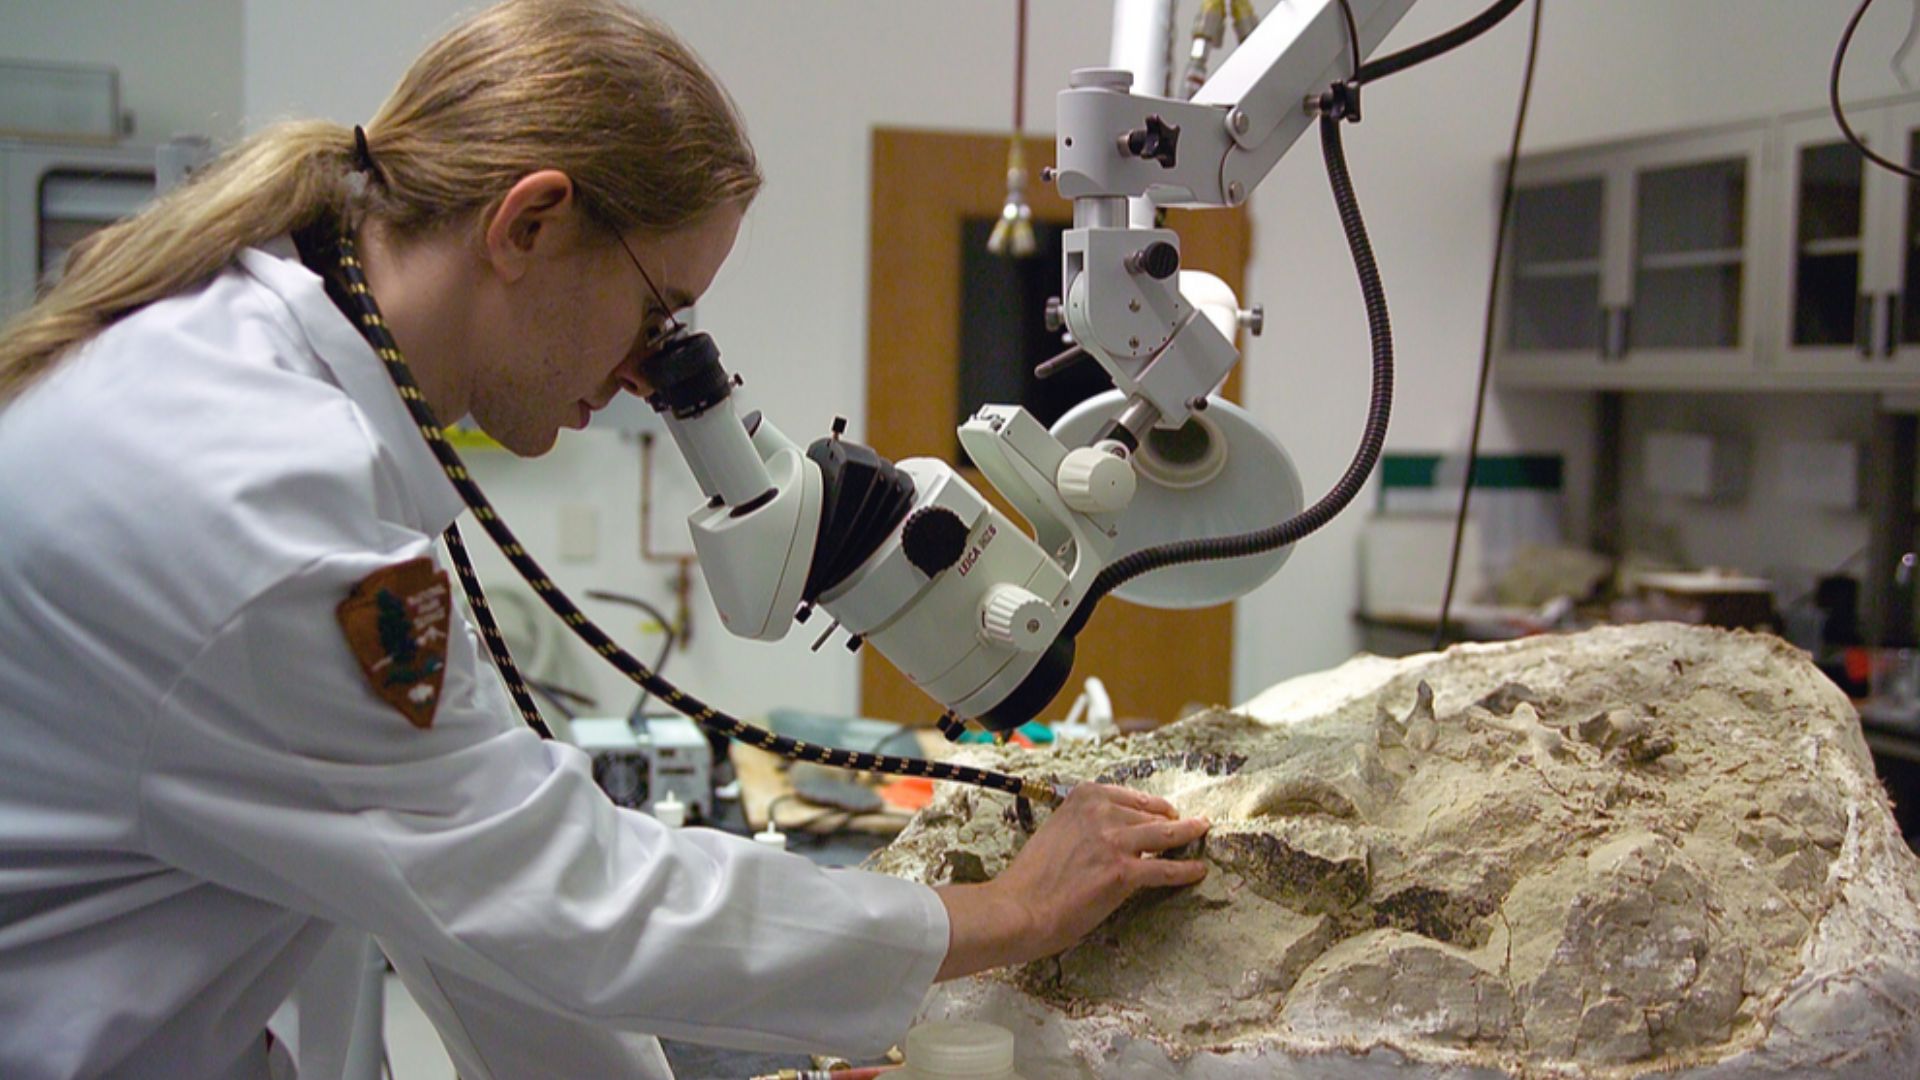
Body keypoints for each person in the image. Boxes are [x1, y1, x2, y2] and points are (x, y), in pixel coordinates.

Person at [0, 2, 1210, 1077]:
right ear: (530, 225)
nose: (652, 373)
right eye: (659, 309)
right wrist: (1008, 913)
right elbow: (556, 894)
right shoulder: (261, 501)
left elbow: (476, 900)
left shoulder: (286, 386)